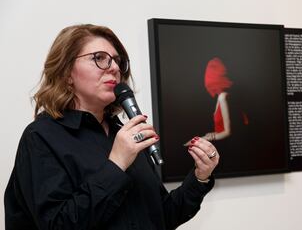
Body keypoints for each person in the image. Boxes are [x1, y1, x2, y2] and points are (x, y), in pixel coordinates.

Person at [4, 24, 219, 230]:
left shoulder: (125, 134)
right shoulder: (41, 137)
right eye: (99, 58)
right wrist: (116, 164)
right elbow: (58, 224)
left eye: (117, 61)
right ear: (66, 73)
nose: (115, 68)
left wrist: (200, 176)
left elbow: (161, 217)